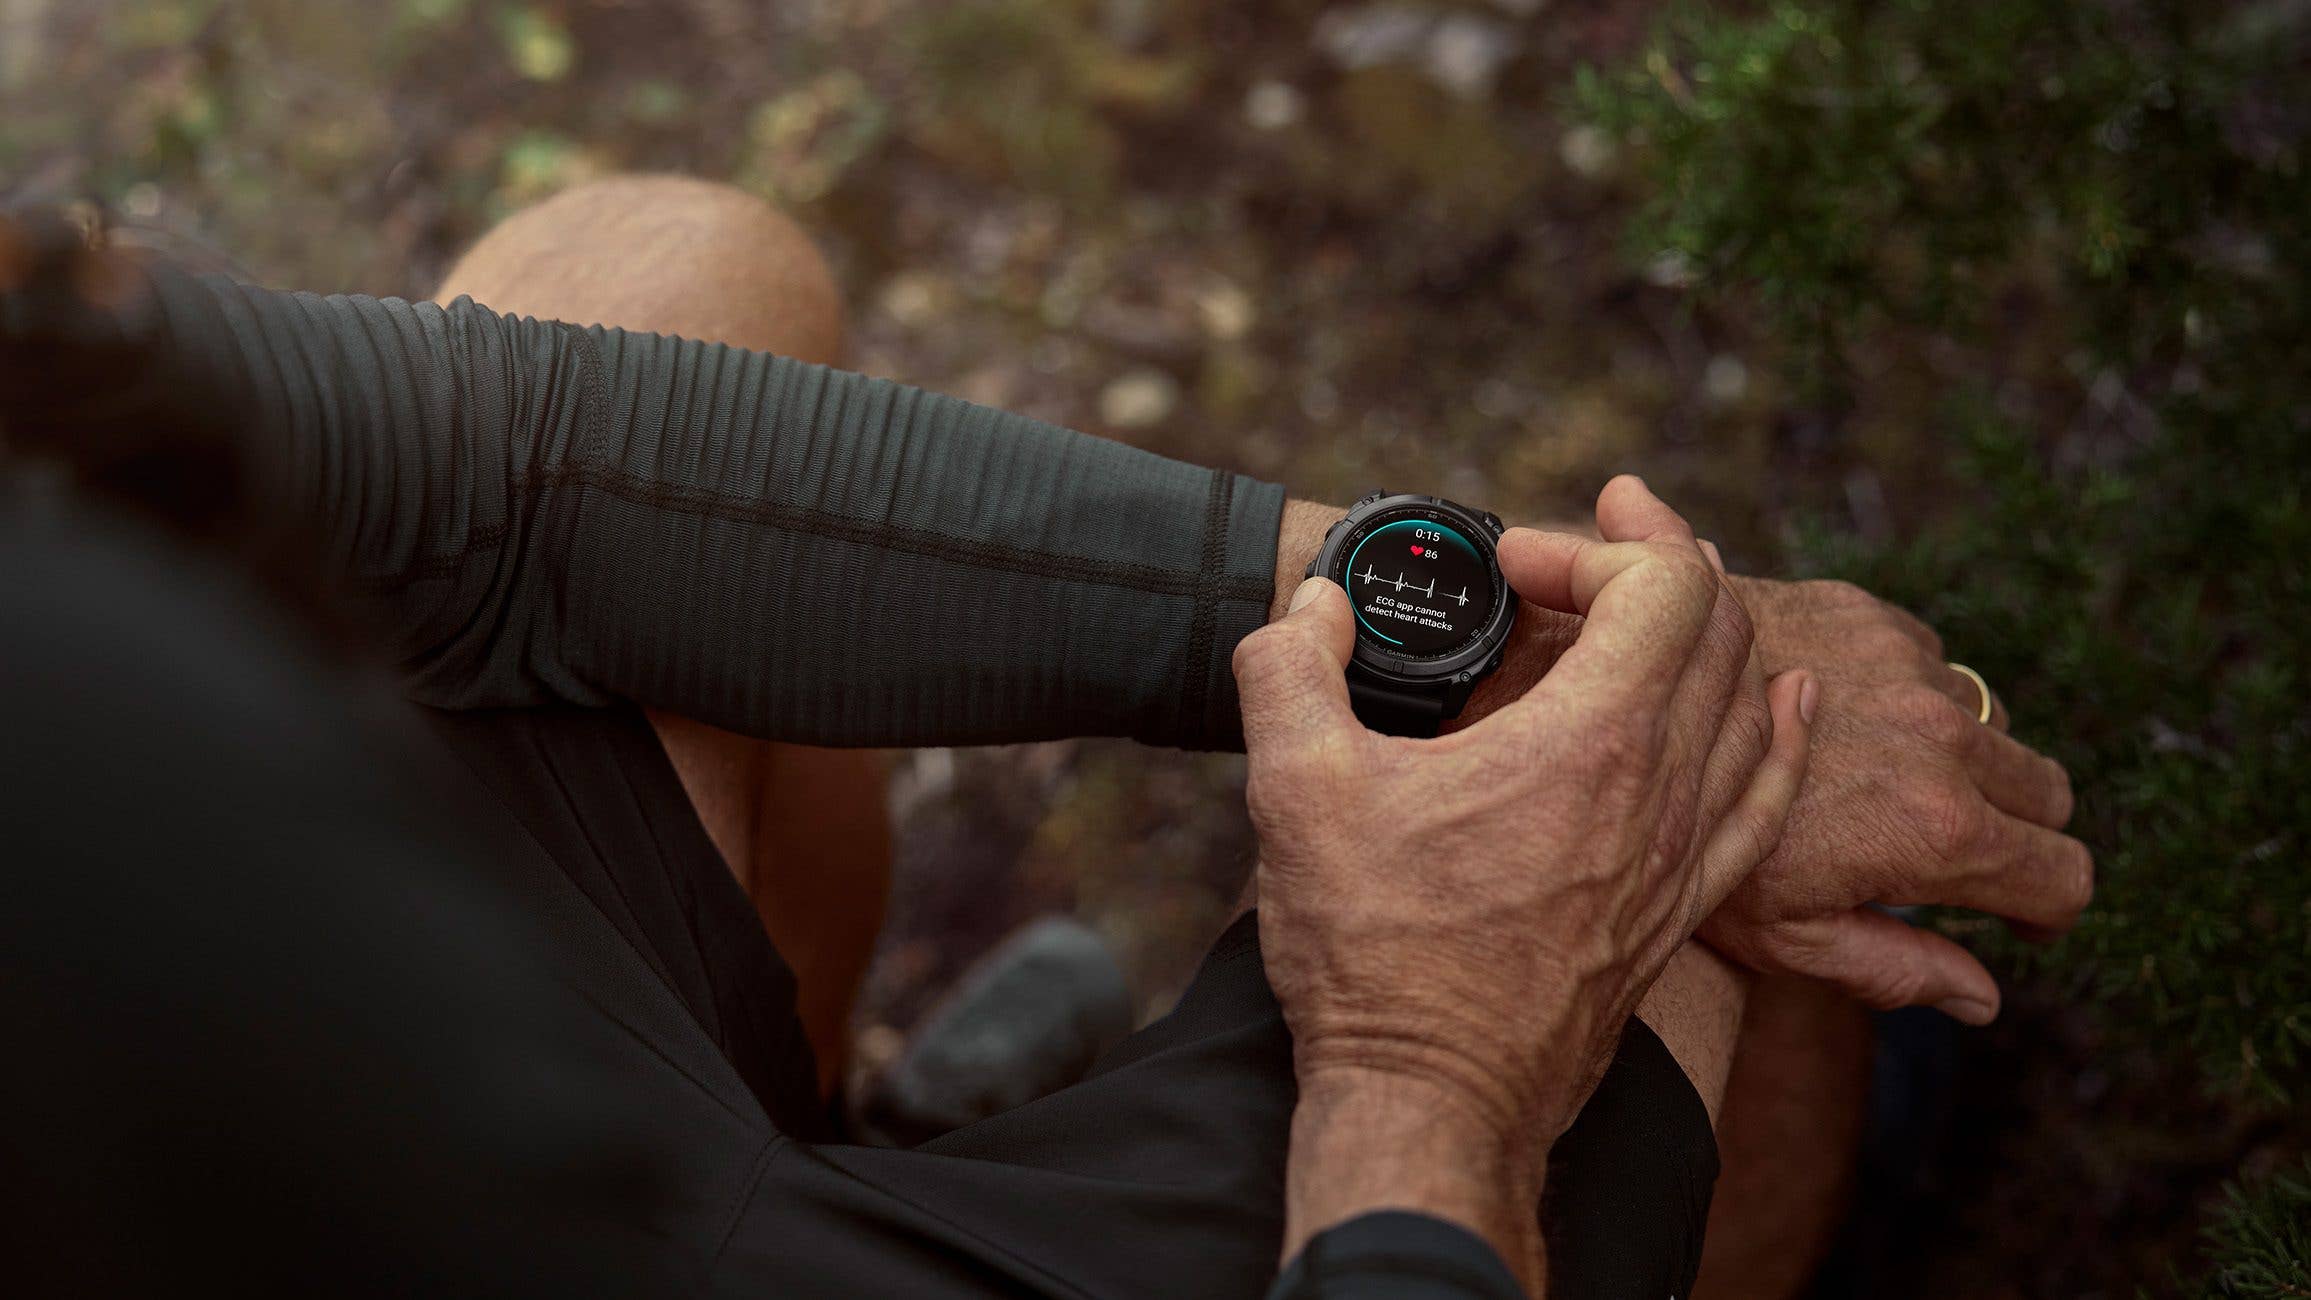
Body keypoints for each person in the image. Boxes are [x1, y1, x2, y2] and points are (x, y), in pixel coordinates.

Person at [0, 178, 2090, 1297]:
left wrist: (1424, 613)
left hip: (445, 1097)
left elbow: (497, 467)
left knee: (656, 273)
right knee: (1671, 863)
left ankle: (834, 1129)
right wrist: (1430, 1077)